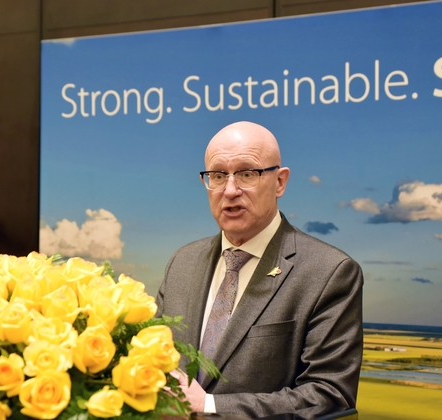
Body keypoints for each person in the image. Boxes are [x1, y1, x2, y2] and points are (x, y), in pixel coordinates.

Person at [155, 121, 363, 418]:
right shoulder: (182, 263)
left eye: (247, 174)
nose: (229, 190)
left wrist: (210, 406)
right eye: (217, 176)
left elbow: (329, 394)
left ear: (280, 182)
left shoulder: (330, 272)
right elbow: (149, 359)